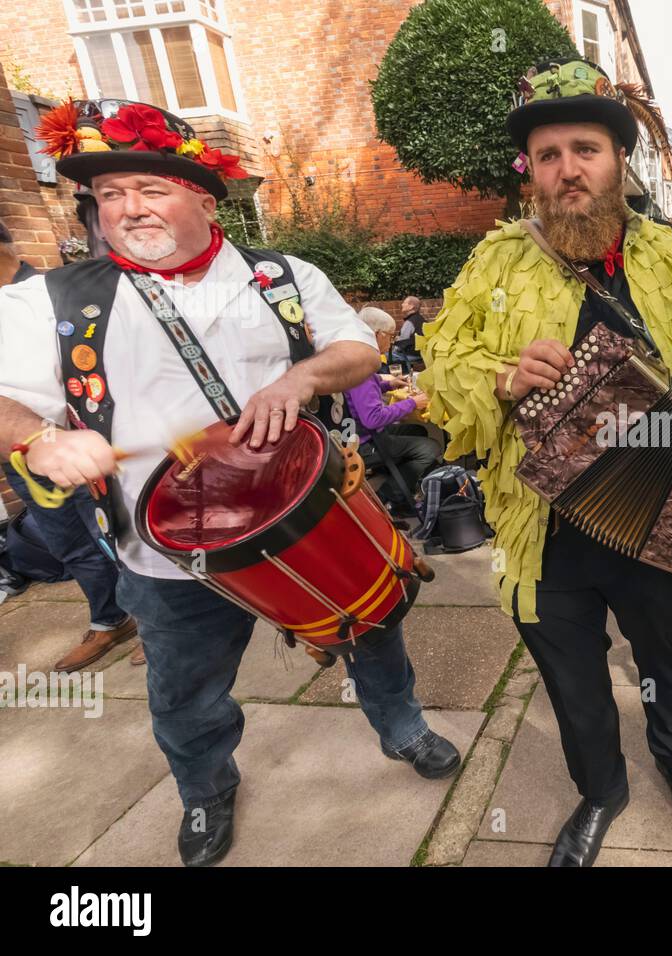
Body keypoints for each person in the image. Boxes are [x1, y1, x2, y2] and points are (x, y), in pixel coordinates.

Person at [0, 98, 460, 867]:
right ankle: (206, 791)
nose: (127, 208)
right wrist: (39, 439)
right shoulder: (53, 301)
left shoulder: (283, 276)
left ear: (205, 199)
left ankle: (403, 727)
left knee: (372, 631)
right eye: (109, 194)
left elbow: (357, 350)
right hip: (168, 555)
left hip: (308, 519)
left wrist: (299, 380)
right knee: (185, 693)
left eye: (150, 189)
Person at [421, 57, 672, 866]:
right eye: (549, 155)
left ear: (619, 161)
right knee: (572, 681)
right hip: (543, 526)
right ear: (532, 174)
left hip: (656, 512)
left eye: (585, 149)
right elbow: (438, 370)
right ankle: (601, 791)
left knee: (665, 655)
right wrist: (503, 376)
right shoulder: (497, 262)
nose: (567, 169)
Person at [0, 217, 138, 670]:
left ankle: (159, 623)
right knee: (71, 545)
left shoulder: (56, 296)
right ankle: (110, 619)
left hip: (80, 448)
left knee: (119, 538)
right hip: (21, 462)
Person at [344, 305, 442, 507]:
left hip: (362, 434)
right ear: (376, 334)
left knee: (417, 430)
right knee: (430, 449)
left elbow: (363, 391)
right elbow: (373, 418)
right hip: (366, 442)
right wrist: (412, 402)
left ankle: (397, 474)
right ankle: (389, 496)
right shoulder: (361, 365)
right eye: (390, 335)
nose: (392, 340)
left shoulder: (355, 357)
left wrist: (388, 384)